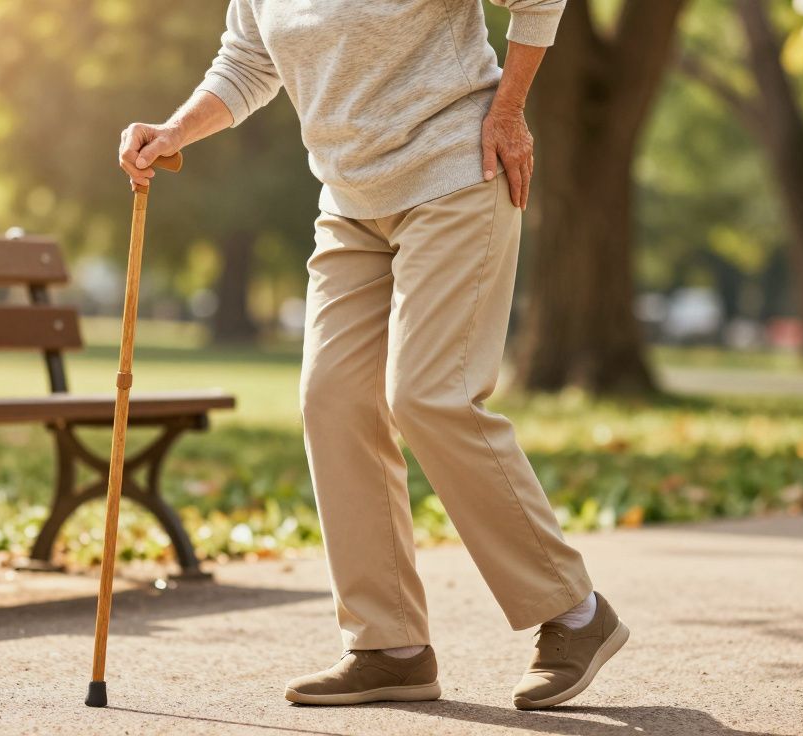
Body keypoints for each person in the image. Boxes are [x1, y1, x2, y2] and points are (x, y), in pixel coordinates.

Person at [118, 0, 627, 711]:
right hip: (351, 201)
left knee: (428, 393)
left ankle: (575, 613)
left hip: (454, 171)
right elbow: (247, 62)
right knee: (333, 400)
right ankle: (389, 646)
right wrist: (175, 130)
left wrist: (508, 109)